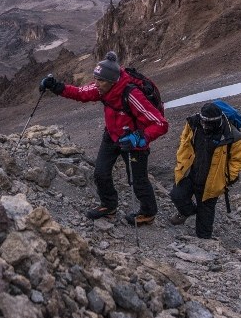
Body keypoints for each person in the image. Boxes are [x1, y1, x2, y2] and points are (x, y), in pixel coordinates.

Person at [40, 51, 168, 225]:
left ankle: (148, 212)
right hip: (112, 134)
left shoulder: (132, 95)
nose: (96, 84)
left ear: (112, 82)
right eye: (96, 79)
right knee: (100, 172)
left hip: (133, 141)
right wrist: (55, 86)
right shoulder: (103, 88)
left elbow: (160, 124)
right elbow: (80, 93)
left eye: (100, 80)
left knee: (138, 180)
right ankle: (109, 205)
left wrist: (141, 138)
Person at [170, 102, 241, 238]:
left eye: (208, 123)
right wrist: (181, 162)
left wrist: (226, 179)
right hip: (190, 173)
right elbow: (184, 141)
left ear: (218, 120)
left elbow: (238, 160)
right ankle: (188, 212)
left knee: (205, 224)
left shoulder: (231, 135)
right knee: (177, 195)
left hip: (213, 181)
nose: (205, 125)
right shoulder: (193, 123)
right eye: (203, 121)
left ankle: (204, 244)